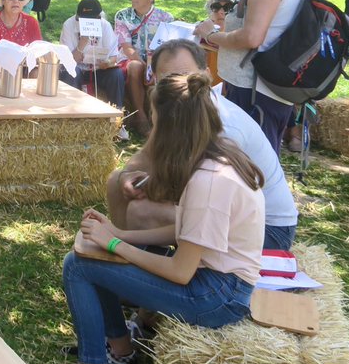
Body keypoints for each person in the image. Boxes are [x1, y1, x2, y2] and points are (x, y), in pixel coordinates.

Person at [48, 72, 265, 364]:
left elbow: (180, 271)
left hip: (217, 296)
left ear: (169, 128)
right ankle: (120, 352)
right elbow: (184, 231)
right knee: (94, 257)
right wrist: (119, 234)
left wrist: (115, 246)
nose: (151, 131)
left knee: (78, 267)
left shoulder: (209, 181)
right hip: (221, 288)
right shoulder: (218, 155)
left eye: (154, 120)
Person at [108, 39, 298, 251]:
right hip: (220, 208)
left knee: (141, 212)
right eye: (167, 79)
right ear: (155, 81)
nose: (178, 85)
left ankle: (144, 263)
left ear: (207, 75)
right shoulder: (172, 110)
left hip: (267, 229)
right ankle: (122, 256)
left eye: (187, 76)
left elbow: (212, 202)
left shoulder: (224, 126)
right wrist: (127, 176)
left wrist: (155, 188)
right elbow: (146, 157)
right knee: (116, 181)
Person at [198, 0, 307, 152]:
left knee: (249, 161)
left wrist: (212, 34)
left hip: (254, 90)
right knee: (259, 158)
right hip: (267, 87)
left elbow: (251, 37)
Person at [115, 0, 174, 135]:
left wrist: (153, 65)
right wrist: (145, 64)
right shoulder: (122, 15)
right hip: (131, 59)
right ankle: (140, 117)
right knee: (136, 66)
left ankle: (166, 121)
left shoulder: (165, 18)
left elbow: (169, 47)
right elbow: (126, 46)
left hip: (157, 60)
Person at [60, 0, 123, 108]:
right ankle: (71, 111)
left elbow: (114, 56)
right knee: (71, 72)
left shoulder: (105, 25)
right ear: (78, 17)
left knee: (116, 74)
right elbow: (68, 61)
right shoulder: (69, 25)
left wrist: (107, 63)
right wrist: (82, 42)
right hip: (78, 68)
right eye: (84, 19)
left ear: (98, 17)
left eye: (93, 19)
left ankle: (117, 112)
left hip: (98, 69)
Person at [199, 0, 241, 85]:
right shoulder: (199, 33)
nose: (220, 12)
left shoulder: (241, 40)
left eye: (228, 7)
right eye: (216, 6)